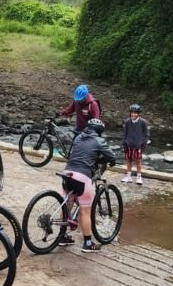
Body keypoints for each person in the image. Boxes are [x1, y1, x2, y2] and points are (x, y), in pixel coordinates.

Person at [62, 118, 116, 253]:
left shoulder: (79, 137)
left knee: (66, 206)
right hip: (83, 175)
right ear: (99, 131)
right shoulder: (99, 140)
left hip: (67, 172)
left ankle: (62, 236)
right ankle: (87, 243)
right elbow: (111, 156)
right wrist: (112, 161)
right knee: (85, 211)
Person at [121, 103, 150, 185]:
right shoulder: (127, 121)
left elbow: (146, 134)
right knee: (129, 160)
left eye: (135, 113)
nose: (133, 114)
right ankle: (128, 176)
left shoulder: (143, 122)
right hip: (129, 144)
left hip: (138, 145)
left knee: (138, 161)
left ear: (139, 113)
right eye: (132, 112)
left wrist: (143, 144)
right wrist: (124, 143)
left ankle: (139, 177)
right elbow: (125, 133)